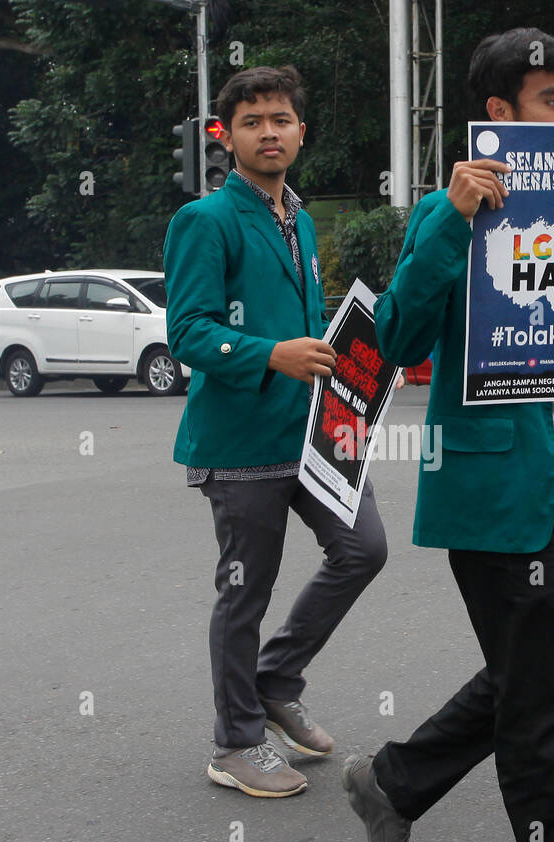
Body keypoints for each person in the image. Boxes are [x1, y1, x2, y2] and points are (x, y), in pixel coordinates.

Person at [340, 28, 554, 842]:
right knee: (543, 699)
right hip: (491, 494)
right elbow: (397, 341)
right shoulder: (444, 217)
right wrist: (451, 218)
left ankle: (390, 784)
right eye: (553, 100)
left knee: (527, 678)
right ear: (498, 115)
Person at [164, 66, 388, 799]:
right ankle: (234, 742)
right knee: (244, 592)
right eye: (253, 121)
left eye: (282, 119)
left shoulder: (302, 217)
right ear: (225, 135)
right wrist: (270, 354)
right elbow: (189, 333)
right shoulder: (206, 220)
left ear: (300, 130)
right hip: (239, 441)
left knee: (363, 549)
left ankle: (274, 679)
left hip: (315, 432)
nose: (270, 132)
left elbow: (303, 321)